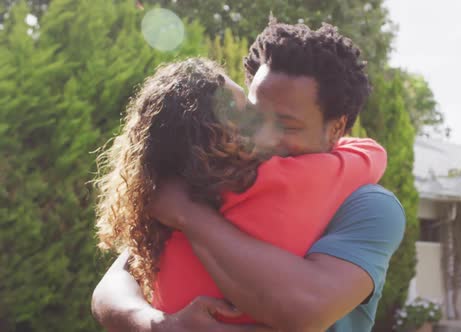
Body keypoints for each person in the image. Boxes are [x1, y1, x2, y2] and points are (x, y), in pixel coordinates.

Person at [92, 21, 406, 332]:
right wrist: (165, 325)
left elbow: (304, 310)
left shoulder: (370, 206)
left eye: (286, 125)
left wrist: (189, 215)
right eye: (253, 117)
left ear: (336, 127)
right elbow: (111, 289)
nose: (263, 138)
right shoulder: (218, 174)